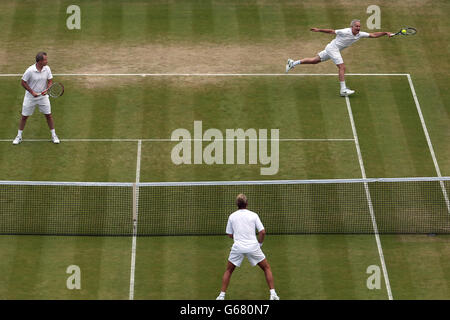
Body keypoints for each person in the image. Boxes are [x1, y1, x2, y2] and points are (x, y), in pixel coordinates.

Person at [285, 19, 393, 97]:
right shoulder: (345, 31)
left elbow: (373, 35)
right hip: (333, 49)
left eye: (359, 26)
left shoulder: (359, 34)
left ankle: (292, 63)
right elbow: (331, 31)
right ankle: (343, 90)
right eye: (356, 26)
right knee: (342, 67)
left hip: (331, 48)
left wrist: (385, 33)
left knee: (315, 61)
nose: (358, 28)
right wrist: (318, 30)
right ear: (352, 27)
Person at [216, 194, 279, 300]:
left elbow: (230, 234)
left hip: (238, 247)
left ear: (237, 204)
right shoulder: (254, 215)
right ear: (247, 204)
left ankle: (221, 296)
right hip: (253, 247)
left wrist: (239, 237)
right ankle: (273, 294)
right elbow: (262, 232)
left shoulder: (232, 216)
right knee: (266, 268)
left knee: (228, 271)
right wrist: (260, 244)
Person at [12, 52, 60, 145]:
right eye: (45, 59)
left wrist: (47, 89)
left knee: (48, 115)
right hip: (30, 97)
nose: (47, 61)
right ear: (40, 61)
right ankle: (19, 136)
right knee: (24, 117)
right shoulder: (30, 70)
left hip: (43, 97)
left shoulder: (47, 68)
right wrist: (32, 92)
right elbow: (23, 82)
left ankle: (54, 135)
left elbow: (50, 80)